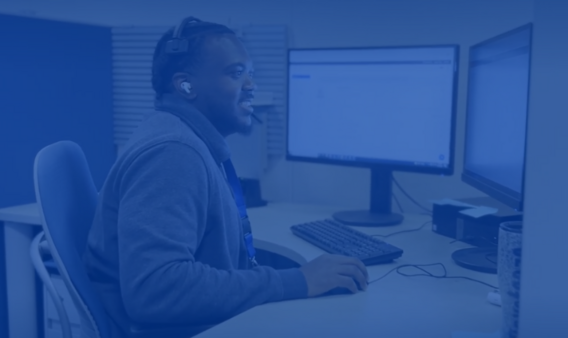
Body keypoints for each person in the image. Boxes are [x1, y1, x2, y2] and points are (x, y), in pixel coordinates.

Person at [83, 17, 368, 338]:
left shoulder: (186, 138)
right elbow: (155, 290)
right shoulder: (173, 153)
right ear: (185, 85)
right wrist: (298, 280)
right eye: (236, 74)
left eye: (251, 74)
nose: (250, 85)